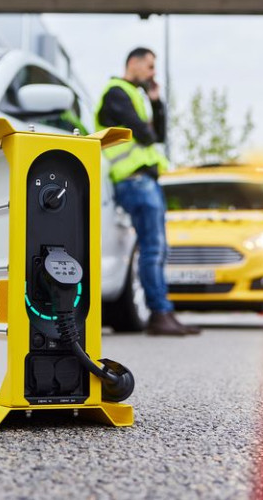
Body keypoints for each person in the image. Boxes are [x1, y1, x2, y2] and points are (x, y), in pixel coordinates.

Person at [94, 47, 198, 337]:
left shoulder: (135, 96)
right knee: (153, 249)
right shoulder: (116, 92)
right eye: (150, 66)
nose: (153, 73)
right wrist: (148, 126)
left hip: (145, 182)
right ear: (134, 63)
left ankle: (163, 312)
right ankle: (159, 313)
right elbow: (146, 134)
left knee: (157, 248)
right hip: (134, 180)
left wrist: (155, 101)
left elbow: (159, 134)